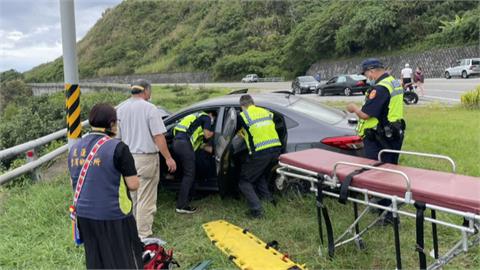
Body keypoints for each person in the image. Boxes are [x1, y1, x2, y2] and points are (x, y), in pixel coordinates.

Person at [68, 103, 144, 269]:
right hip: (114, 215)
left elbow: (73, 181)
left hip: (84, 215)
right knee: (124, 260)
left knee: (96, 261)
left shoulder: (74, 148)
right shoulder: (118, 147)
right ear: (111, 123)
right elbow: (133, 184)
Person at [346, 59, 406, 225]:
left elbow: (366, 114)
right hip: (393, 134)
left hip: (379, 138)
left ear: (371, 71)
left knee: (381, 176)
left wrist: (353, 108)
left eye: (366, 74)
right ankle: (384, 205)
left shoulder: (380, 88)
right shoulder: (393, 82)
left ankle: (388, 217)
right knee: (389, 172)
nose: (367, 77)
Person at [117, 79, 177, 240]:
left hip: (127, 158)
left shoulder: (120, 109)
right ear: (146, 91)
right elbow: (158, 136)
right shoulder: (150, 108)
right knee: (146, 198)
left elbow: (117, 137)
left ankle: (133, 229)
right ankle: (143, 235)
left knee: (134, 197)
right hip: (146, 159)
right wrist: (168, 158)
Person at [236, 94, 281, 218]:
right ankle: (269, 201)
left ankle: (257, 210)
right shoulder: (266, 112)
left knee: (244, 181)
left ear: (242, 106)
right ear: (253, 103)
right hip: (276, 150)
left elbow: (239, 132)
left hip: (261, 152)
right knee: (259, 175)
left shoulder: (243, 116)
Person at [173, 110, 216, 213]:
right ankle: (181, 206)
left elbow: (200, 145)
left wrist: (210, 149)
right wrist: (216, 133)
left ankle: (190, 196)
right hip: (184, 144)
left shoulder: (194, 119)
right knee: (189, 174)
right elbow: (207, 135)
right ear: (211, 114)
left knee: (190, 172)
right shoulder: (206, 117)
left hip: (177, 143)